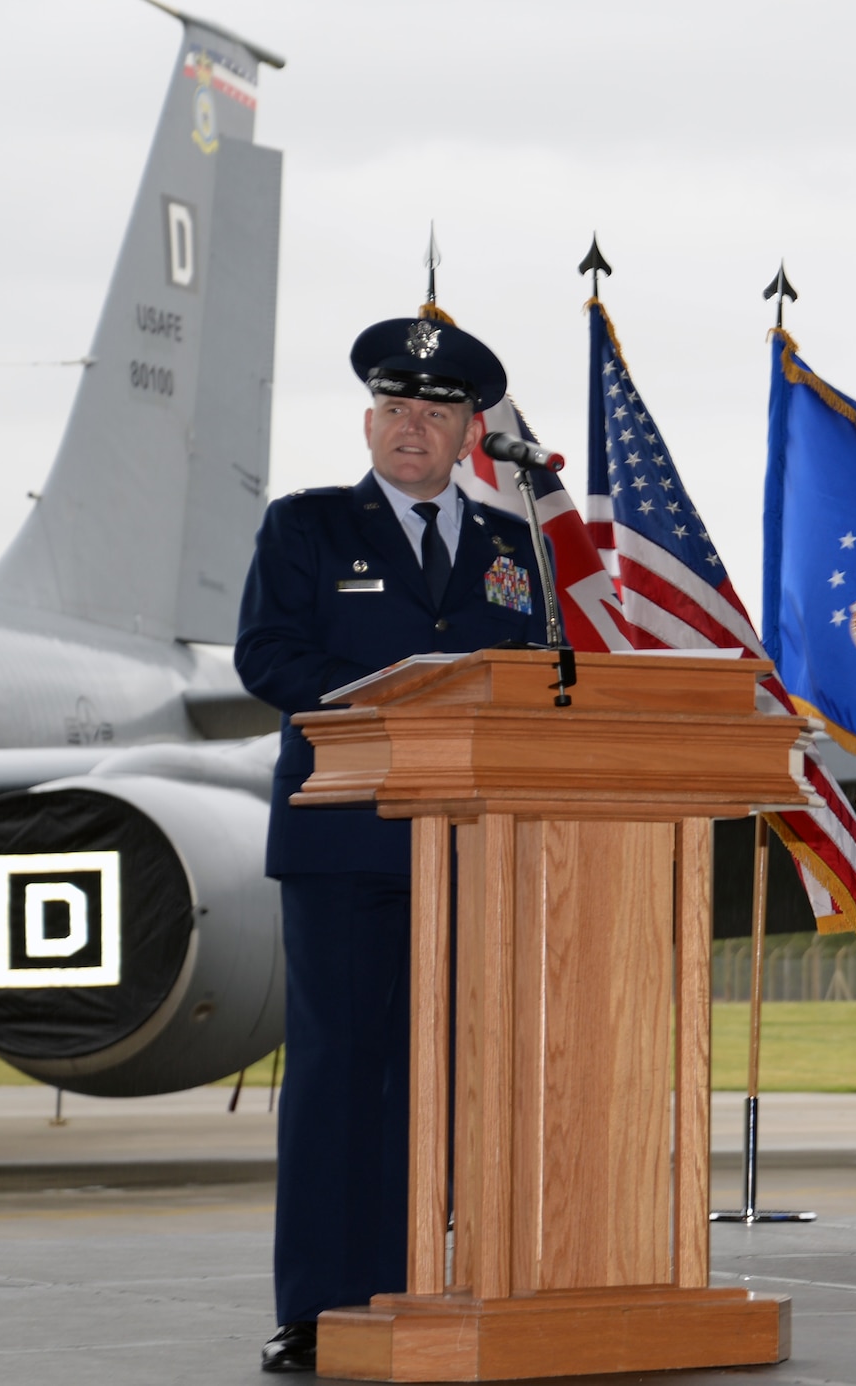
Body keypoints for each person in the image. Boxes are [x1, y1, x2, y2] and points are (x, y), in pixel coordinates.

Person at [235, 300, 541, 1371]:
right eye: (393, 404)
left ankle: (437, 1284)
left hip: (476, 847)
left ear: (469, 435)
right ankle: (323, 1306)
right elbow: (267, 658)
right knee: (341, 1073)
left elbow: (541, 681)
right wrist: (386, 704)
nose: (411, 423)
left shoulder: (517, 543)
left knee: (455, 1077)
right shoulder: (306, 527)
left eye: (435, 410)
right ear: (368, 423)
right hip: (346, 842)